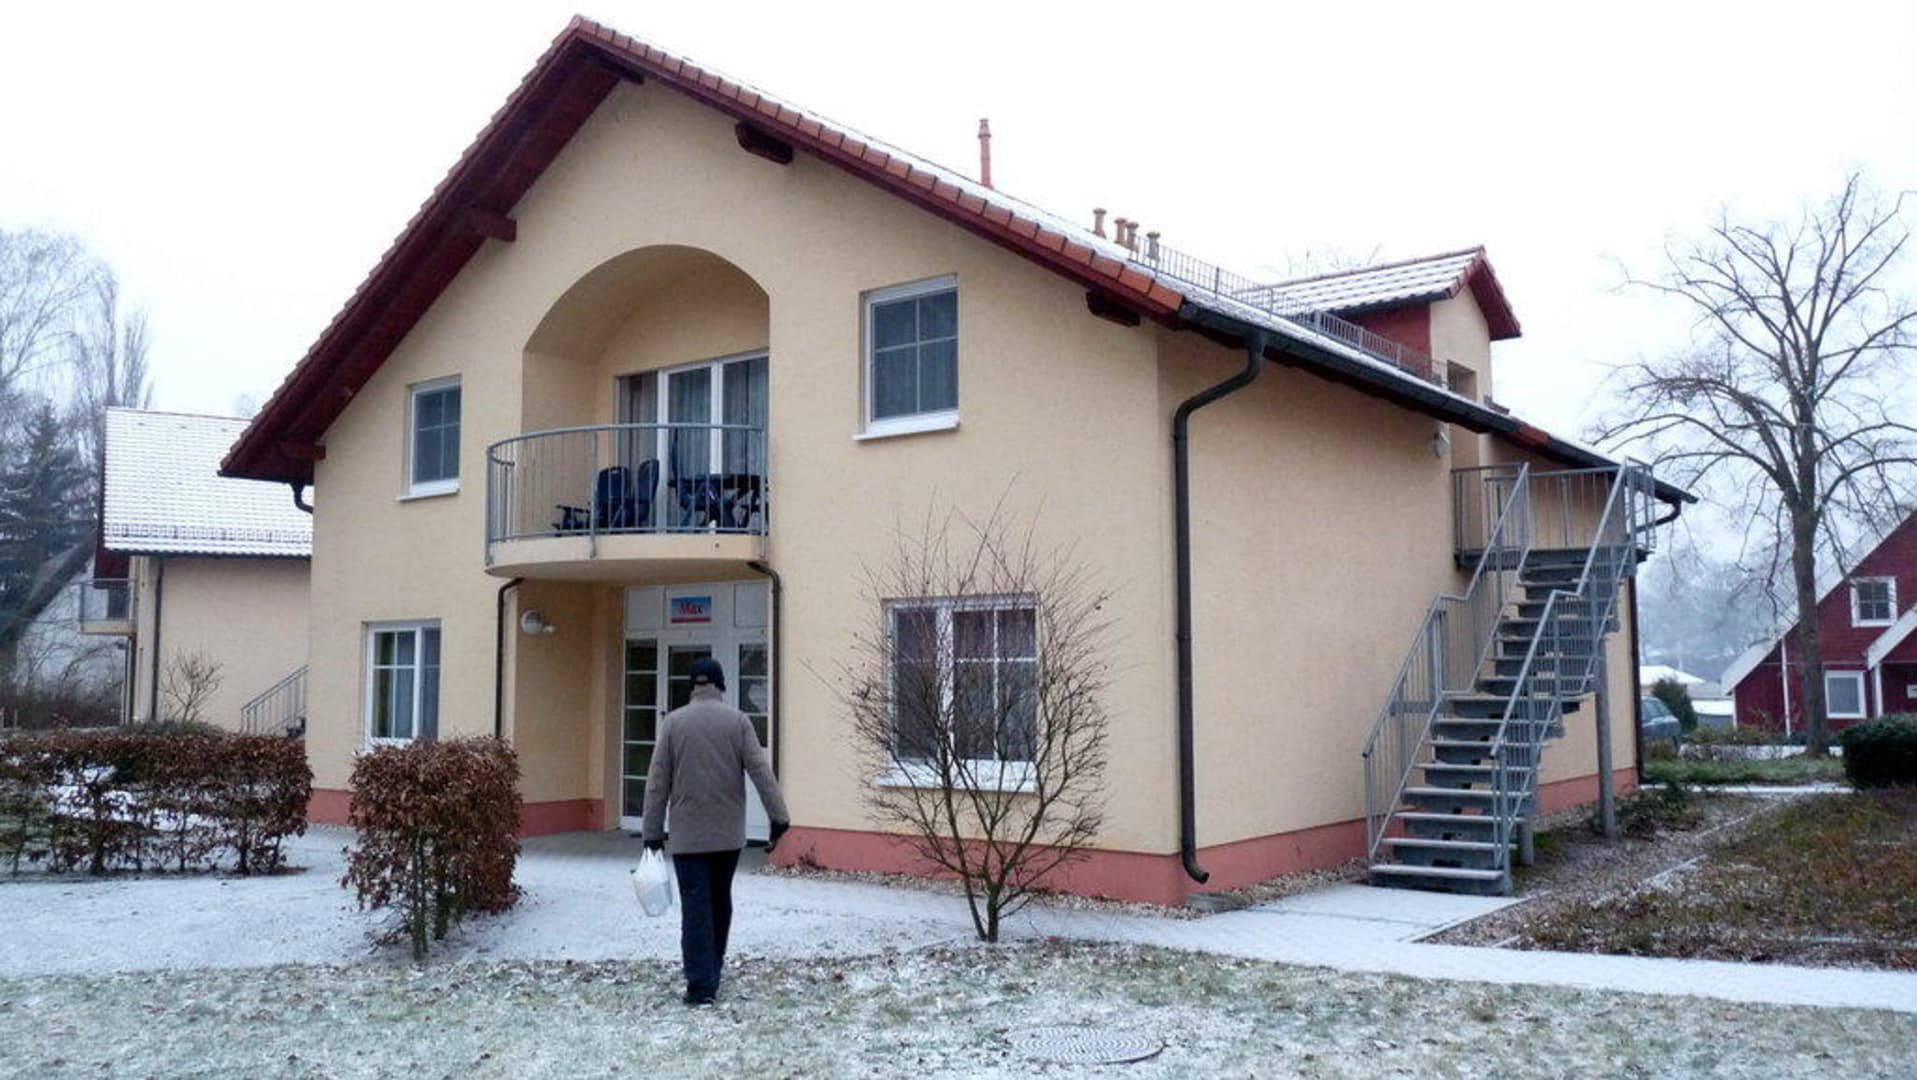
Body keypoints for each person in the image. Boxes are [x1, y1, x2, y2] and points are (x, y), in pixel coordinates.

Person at [641, 656, 789, 1006]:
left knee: (695, 907)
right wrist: (778, 817)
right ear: (721, 684)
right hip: (727, 837)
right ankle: (714, 967)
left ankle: (700, 984)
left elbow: (657, 782)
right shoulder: (738, 722)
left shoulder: (673, 723)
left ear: (692, 686)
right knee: (720, 901)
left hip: (687, 837)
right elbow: (761, 772)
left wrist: (651, 832)